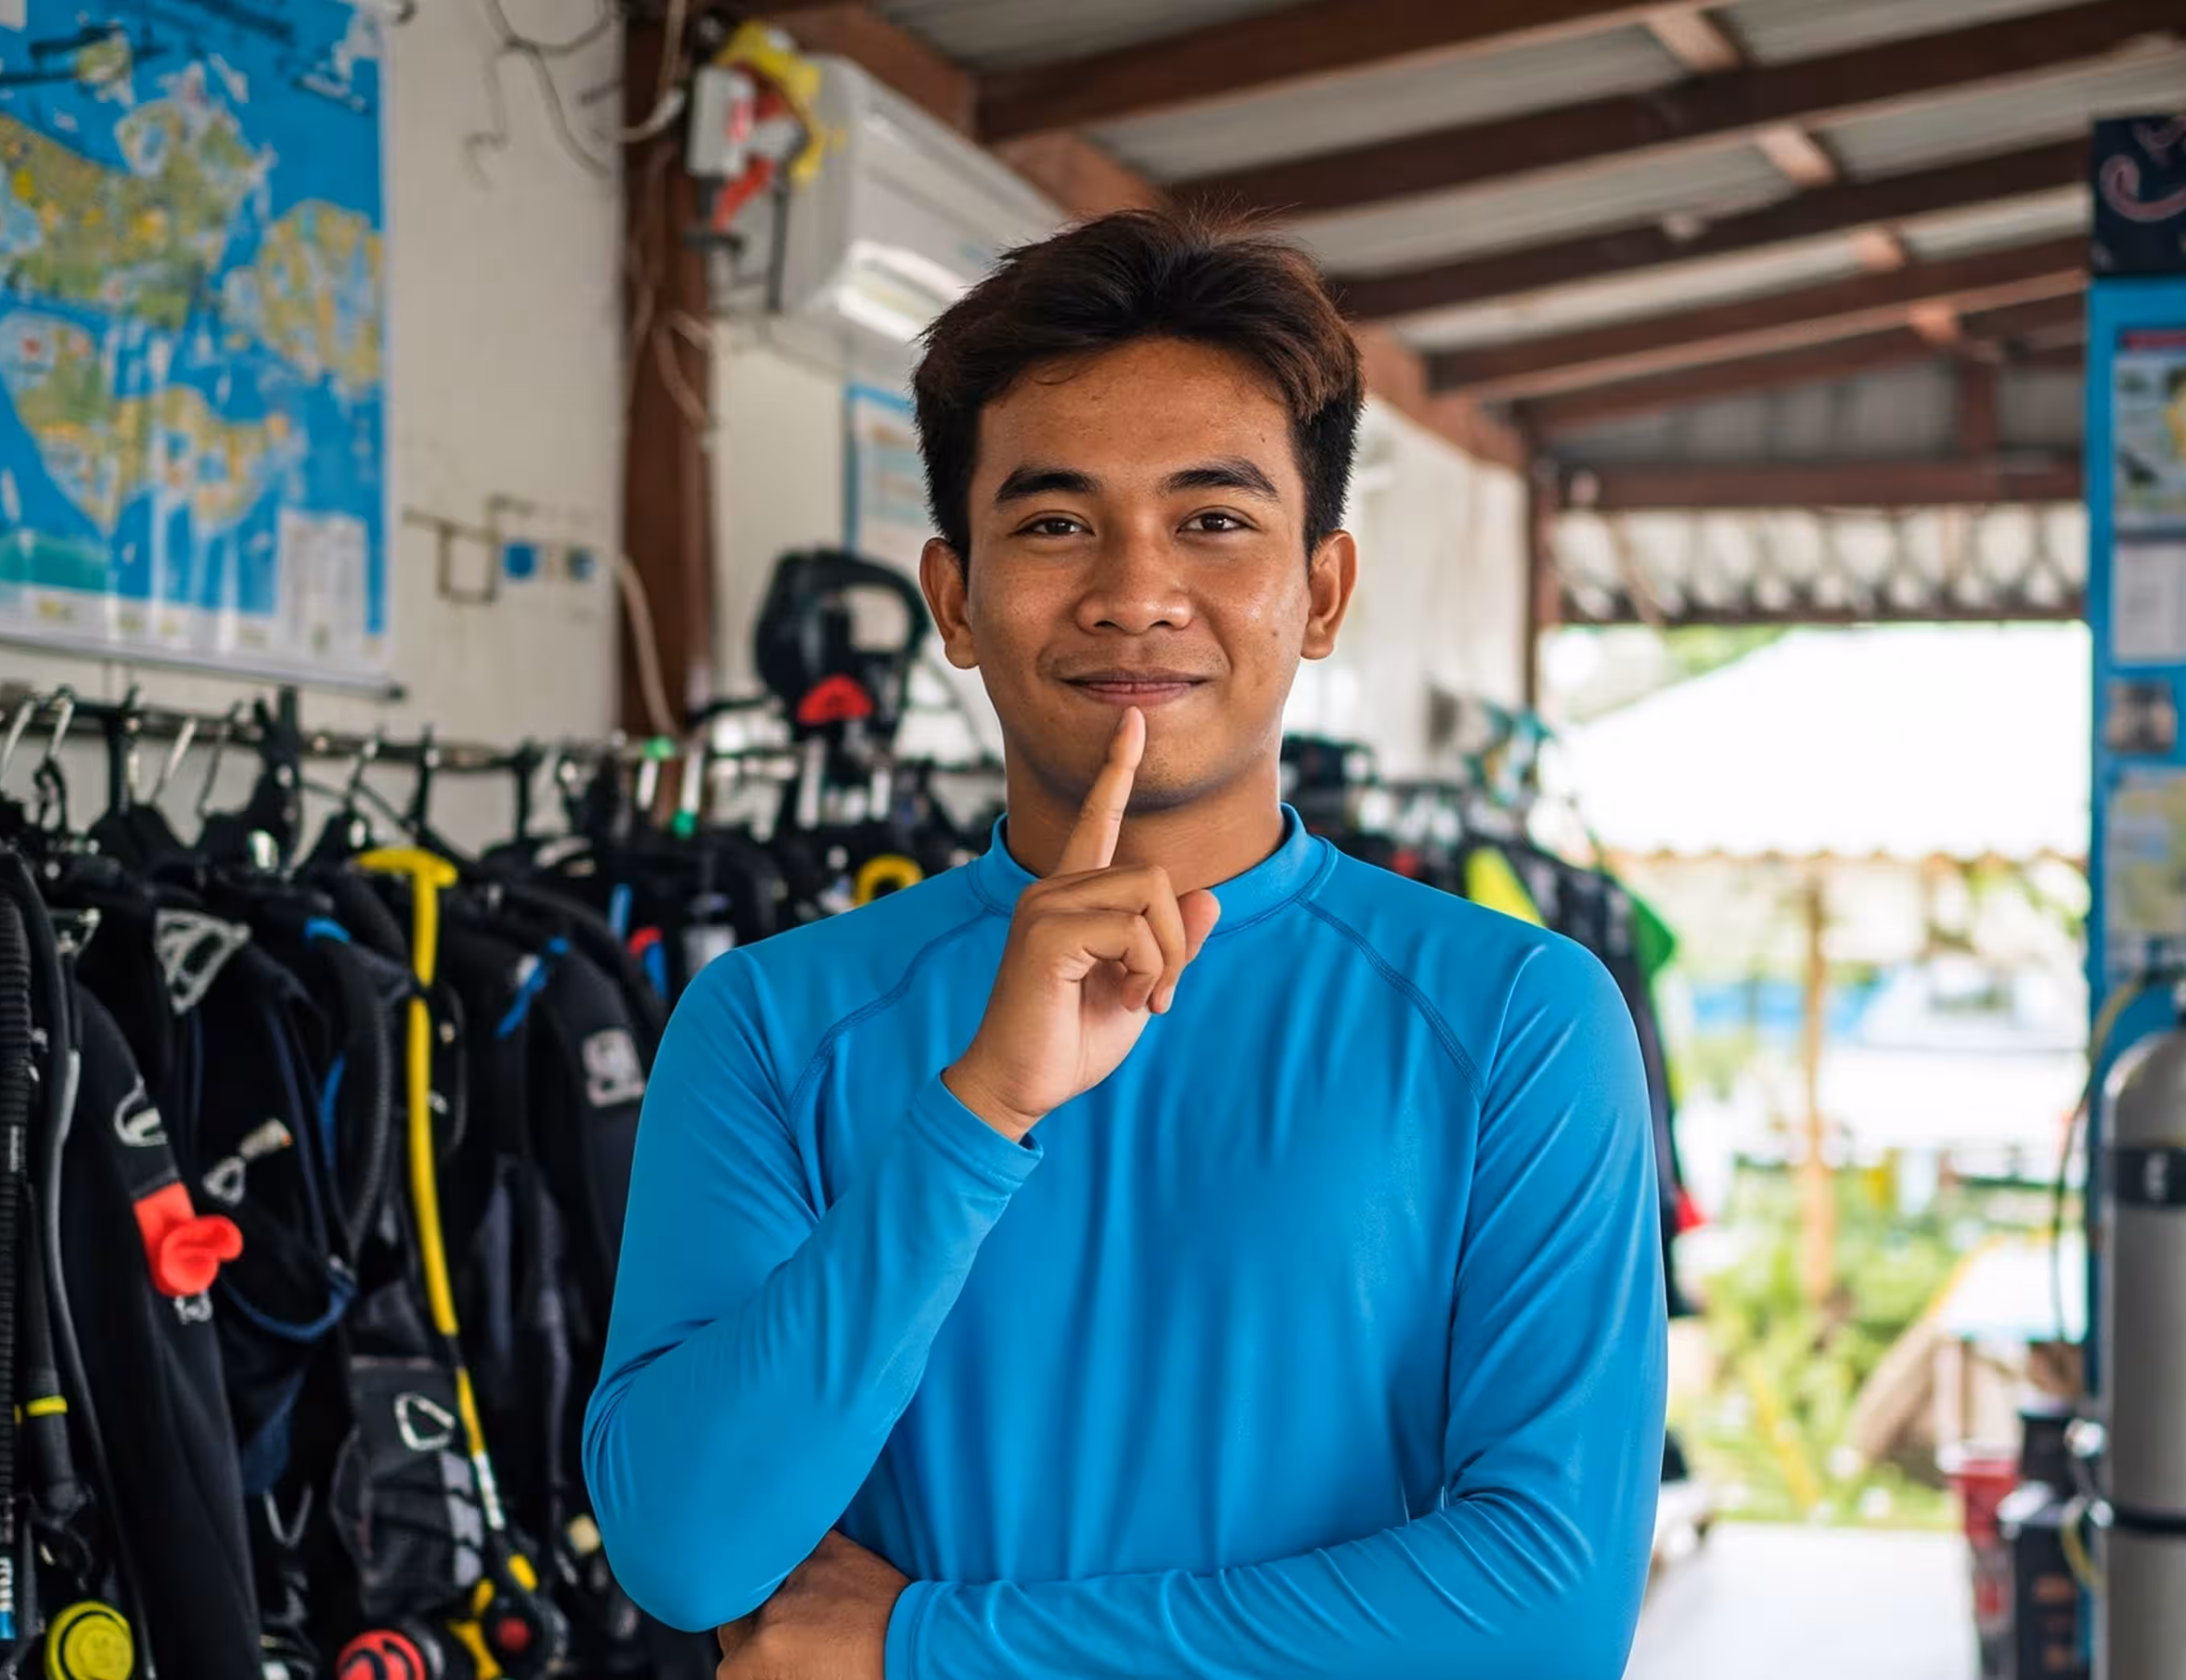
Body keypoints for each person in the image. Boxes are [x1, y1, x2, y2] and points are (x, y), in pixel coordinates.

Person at [583, 208, 1665, 1678]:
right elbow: (691, 1548)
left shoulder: (1516, 1017)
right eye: (1053, 521)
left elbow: (1545, 1611)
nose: (1132, 592)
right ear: (955, 601)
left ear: (1322, 591)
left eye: (1213, 521)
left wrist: (930, 1649)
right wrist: (981, 1112)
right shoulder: (772, 1024)